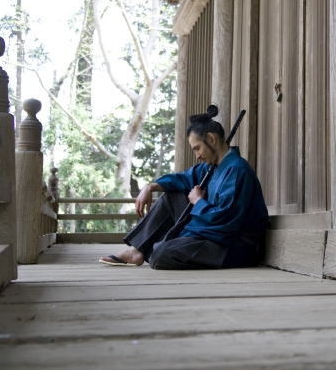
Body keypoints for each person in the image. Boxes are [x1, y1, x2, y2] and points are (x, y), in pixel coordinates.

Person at [99, 105, 268, 270]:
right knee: (171, 197)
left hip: (232, 245)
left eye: (197, 148)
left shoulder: (238, 170)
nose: (197, 155)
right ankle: (137, 250)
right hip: (213, 233)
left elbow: (226, 221)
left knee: (160, 256)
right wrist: (150, 187)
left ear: (211, 139)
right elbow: (181, 178)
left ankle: (160, 246)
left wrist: (199, 202)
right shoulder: (211, 168)